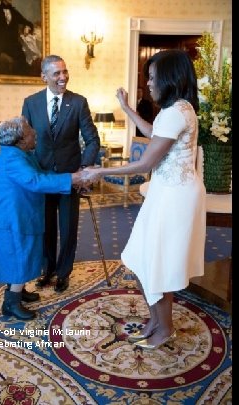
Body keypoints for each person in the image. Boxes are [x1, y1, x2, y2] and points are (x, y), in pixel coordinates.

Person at [81, 50, 206, 349]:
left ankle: (165, 329)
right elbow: (155, 134)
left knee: (157, 263)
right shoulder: (178, 108)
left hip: (174, 198)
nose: (148, 84)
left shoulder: (177, 110)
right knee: (143, 258)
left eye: (151, 77)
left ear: (169, 77)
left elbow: (146, 163)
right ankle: (157, 321)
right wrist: (125, 108)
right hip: (167, 193)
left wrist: (99, 171)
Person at [0, 116, 85, 320]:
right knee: (18, 258)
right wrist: (72, 179)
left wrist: (71, 178)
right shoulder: (13, 159)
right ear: (21, 139)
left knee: (20, 257)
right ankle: (11, 304)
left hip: (20, 216)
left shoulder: (19, 154)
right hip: (12, 220)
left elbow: (41, 173)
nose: (35, 132)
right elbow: (35, 180)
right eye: (30, 129)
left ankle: (17, 292)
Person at [21, 55, 101, 293]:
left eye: (65, 72)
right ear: (44, 77)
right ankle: (48, 270)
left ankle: (64, 273)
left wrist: (84, 169)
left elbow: (92, 140)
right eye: (56, 73)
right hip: (43, 179)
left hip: (70, 179)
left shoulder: (78, 102)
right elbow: (25, 141)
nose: (63, 77)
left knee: (68, 230)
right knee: (44, 228)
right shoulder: (31, 102)